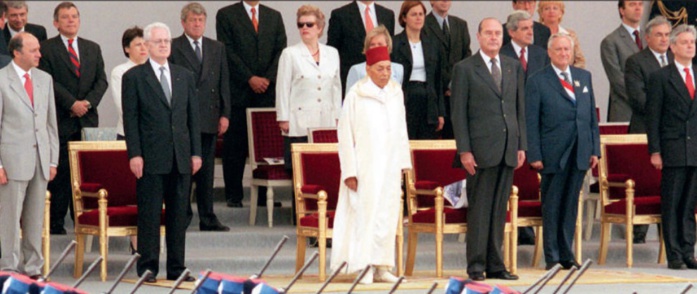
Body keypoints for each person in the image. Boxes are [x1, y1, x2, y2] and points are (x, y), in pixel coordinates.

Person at [122, 22, 201, 283]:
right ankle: (148, 267)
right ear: (146, 45)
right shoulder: (133, 77)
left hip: (180, 156)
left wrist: (196, 153)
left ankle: (177, 267)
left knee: (179, 215)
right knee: (150, 214)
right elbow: (131, 120)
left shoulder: (184, 75)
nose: (164, 45)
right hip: (150, 157)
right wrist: (135, 153)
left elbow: (192, 118)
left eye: (167, 40)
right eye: (158, 41)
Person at [450, 17, 526, 281]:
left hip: (507, 148)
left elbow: (519, 109)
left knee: (498, 210)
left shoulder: (513, 66)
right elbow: (458, 113)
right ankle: (476, 265)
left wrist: (520, 144)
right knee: (480, 210)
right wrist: (464, 151)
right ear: (479, 36)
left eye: (497, 33)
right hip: (480, 151)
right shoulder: (465, 68)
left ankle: (496, 264)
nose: (494, 37)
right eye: (489, 33)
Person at [331, 46, 411, 285]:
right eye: (380, 69)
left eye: (388, 68)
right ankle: (362, 266)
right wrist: (349, 171)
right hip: (365, 166)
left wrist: (404, 163)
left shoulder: (396, 92)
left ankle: (382, 266)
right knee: (364, 216)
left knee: (387, 215)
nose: (385, 73)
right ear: (368, 70)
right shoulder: (357, 94)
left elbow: (401, 129)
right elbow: (345, 134)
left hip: (390, 165)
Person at [526, 33, 600, 270]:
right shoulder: (538, 80)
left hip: (579, 151)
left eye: (567, 50)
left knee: (570, 205)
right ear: (549, 52)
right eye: (558, 50)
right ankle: (553, 256)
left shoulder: (583, 77)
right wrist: (534, 154)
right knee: (553, 205)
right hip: (552, 153)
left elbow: (590, 118)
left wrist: (594, 149)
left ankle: (567, 254)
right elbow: (531, 121)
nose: (563, 54)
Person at [39, 1, 108, 235]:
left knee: (85, 172)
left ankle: (83, 219)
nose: (71, 20)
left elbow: (101, 81)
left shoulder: (92, 47)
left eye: (74, 16)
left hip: (87, 120)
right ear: (56, 23)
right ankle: (56, 221)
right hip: (61, 118)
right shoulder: (46, 48)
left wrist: (87, 103)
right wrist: (72, 103)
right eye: (65, 17)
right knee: (60, 173)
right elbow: (48, 81)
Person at [216, 0, 286, 208]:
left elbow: (280, 50)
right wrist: (249, 78)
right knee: (235, 145)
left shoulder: (274, 15)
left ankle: (264, 196)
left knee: (266, 145)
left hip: (267, 91)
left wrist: (267, 79)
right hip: (239, 90)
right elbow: (227, 51)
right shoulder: (227, 14)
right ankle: (234, 195)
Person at [0, 32, 59, 279]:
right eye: (33, 50)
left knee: (36, 218)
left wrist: (53, 159)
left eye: (38, 50)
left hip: (41, 160)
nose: (39, 54)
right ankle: (9, 268)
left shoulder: (44, 79)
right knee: (10, 219)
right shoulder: (2, 80)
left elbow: (50, 123)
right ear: (17, 52)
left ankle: (34, 268)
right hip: (12, 160)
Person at [169, 2, 230, 232]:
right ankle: (182, 215)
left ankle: (208, 217)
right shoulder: (174, 46)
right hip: (182, 119)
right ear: (183, 22)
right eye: (193, 20)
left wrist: (225, 114)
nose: (197, 24)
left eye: (201, 20)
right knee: (183, 170)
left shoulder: (217, 47)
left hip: (208, 117)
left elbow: (223, 82)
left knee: (206, 171)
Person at [646, 24, 697, 271]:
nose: (690, 46)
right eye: (685, 42)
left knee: (689, 204)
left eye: (692, 42)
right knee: (673, 202)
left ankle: (689, 250)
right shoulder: (661, 77)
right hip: (673, 147)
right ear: (673, 46)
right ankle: (674, 253)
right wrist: (655, 150)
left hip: (695, 148)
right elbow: (653, 117)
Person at [500, 10, 549, 246]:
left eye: (532, 28)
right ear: (511, 32)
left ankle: (528, 228)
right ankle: (511, 225)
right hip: (509, 122)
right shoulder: (501, 53)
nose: (531, 32)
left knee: (531, 175)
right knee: (513, 175)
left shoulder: (540, 54)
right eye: (525, 28)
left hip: (536, 124)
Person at [624, 16, 673, 244]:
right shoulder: (636, 62)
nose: (664, 39)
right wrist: (673, 111)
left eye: (667, 34)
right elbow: (639, 99)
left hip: (674, 134)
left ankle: (669, 233)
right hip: (645, 131)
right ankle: (639, 232)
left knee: (672, 184)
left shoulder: (677, 59)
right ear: (647, 37)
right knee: (646, 180)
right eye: (659, 35)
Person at [276, 4, 341, 170]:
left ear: (319, 28)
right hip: (299, 122)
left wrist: (338, 116)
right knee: (300, 170)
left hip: (326, 121)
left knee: (326, 168)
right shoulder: (290, 53)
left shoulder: (332, 53)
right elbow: (282, 87)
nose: (304, 28)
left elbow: (336, 86)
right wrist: (283, 118)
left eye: (309, 24)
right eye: (301, 24)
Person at [391, 1, 444, 139]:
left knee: (426, 146)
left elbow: (438, 79)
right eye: (414, 14)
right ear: (404, 18)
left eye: (421, 14)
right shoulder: (395, 43)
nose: (418, 18)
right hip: (406, 98)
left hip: (428, 100)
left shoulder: (432, 43)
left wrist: (440, 112)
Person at [424, 0, 471, 139]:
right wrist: (447, 85)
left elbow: (466, 57)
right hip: (435, 95)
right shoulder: (424, 25)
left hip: (457, 96)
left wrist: (456, 84)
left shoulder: (460, 24)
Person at [327, 1, 395, 95]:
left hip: (382, 83)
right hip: (352, 82)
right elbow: (332, 52)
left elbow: (388, 50)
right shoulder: (340, 15)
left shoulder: (387, 15)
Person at [601, 0, 644, 122]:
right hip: (626, 111)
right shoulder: (611, 41)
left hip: (651, 113)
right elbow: (617, 80)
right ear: (622, 10)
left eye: (640, 4)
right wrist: (643, 99)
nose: (637, 8)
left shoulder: (649, 38)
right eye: (632, 4)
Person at [111, 27, 148, 140]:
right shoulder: (120, 71)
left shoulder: (155, 70)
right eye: (138, 45)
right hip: (129, 133)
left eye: (145, 44)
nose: (143, 48)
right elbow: (122, 106)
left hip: (153, 133)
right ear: (127, 48)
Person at [345, 25, 403, 94]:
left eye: (380, 44)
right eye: (372, 44)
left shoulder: (398, 69)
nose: (376, 48)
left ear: (387, 47)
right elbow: (350, 98)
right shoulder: (356, 70)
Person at [501, 10, 550, 79]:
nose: (530, 33)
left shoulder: (542, 54)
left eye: (531, 27)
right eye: (525, 29)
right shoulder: (501, 55)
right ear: (511, 32)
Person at [537, 1, 585, 68]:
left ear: (561, 13)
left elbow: (580, 61)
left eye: (555, 8)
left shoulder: (570, 35)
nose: (551, 11)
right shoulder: (534, 34)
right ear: (541, 13)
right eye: (547, 8)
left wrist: (571, 73)